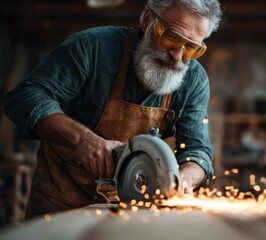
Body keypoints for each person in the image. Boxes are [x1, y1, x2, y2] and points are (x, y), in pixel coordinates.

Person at [3, 0, 222, 218]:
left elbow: (198, 153)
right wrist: (83, 139)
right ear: (148, 20)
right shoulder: (92, 47)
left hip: (131, 211)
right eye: (172, 37)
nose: (177, 56)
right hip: (60, 202)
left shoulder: (194, 80)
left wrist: (180, 180)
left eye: (191, 48)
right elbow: (25, 97)